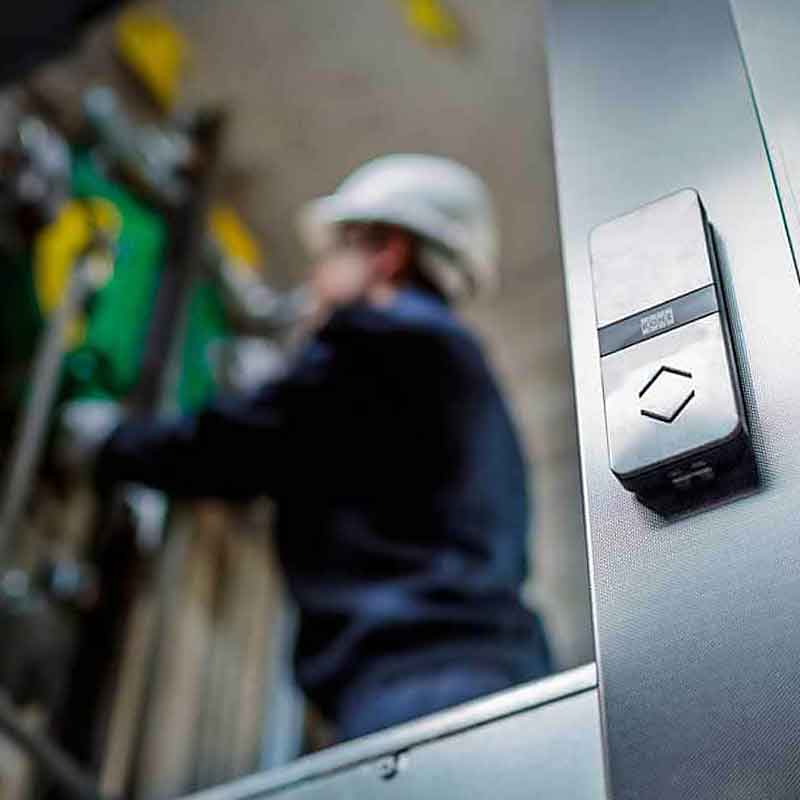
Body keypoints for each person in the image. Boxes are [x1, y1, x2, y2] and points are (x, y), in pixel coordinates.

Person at [60, 154, 551, 741]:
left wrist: (110, 441)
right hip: (488, 673)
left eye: (334, 251)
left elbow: (234, 448)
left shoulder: (382, 337)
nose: (316, 274)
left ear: (387, 252)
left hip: (420, 681)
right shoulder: (453, 368)